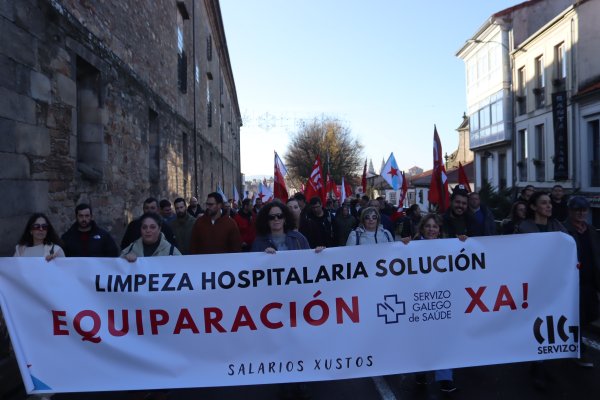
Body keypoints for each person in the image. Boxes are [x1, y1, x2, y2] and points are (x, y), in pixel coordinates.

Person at [412, 213, 457, 393]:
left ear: (439, 230)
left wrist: (464, 243)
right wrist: (403, 245)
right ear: (422, 228)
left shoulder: (448, 247)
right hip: (419, 300)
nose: (431, 229)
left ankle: (445, 377)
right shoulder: (412, 246)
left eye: (435, 226)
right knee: (421, 339)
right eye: (428, 226)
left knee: (443, 338)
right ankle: (420, 371)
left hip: (441, 299)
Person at [562, 196, 599, 368]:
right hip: (572, 282)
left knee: (589, 314)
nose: (581, 213)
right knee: (576, 316)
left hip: (590, 280)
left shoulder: (591, 230)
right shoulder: (563, 230)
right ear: (570, 211)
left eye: (584, 210)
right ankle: (577, 350)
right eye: (577, 210)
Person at [251, 200, 320, 253]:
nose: (276, 219)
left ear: (285, 218)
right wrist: (263, 255)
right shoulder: (259, 242)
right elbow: (254, 263)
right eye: (271, 217)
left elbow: (309, 259)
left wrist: (318, 253)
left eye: (280, 216)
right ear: (266, 220)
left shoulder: (298, 238)